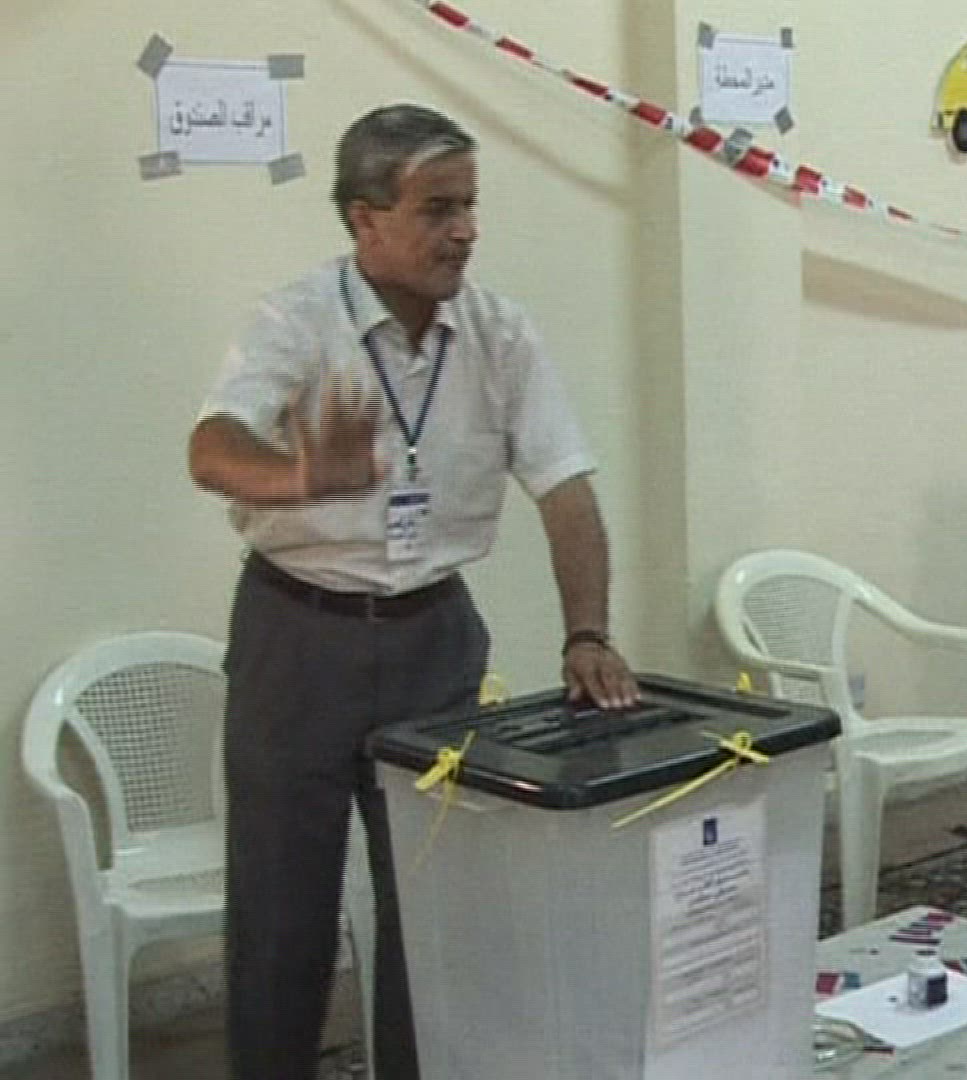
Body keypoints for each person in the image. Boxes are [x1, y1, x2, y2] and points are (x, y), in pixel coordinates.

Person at [188, 103, 639, 1080]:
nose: (466, 230)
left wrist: (588, 632)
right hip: (297, 639)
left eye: (471, 205)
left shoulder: (499, 333)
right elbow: (212, 448)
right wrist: (301, 475)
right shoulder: (295, 320)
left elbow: (565, 487)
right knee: (282, 921)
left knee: (438, 914)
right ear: (366, 219)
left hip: (434, 640)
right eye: (439, 209)